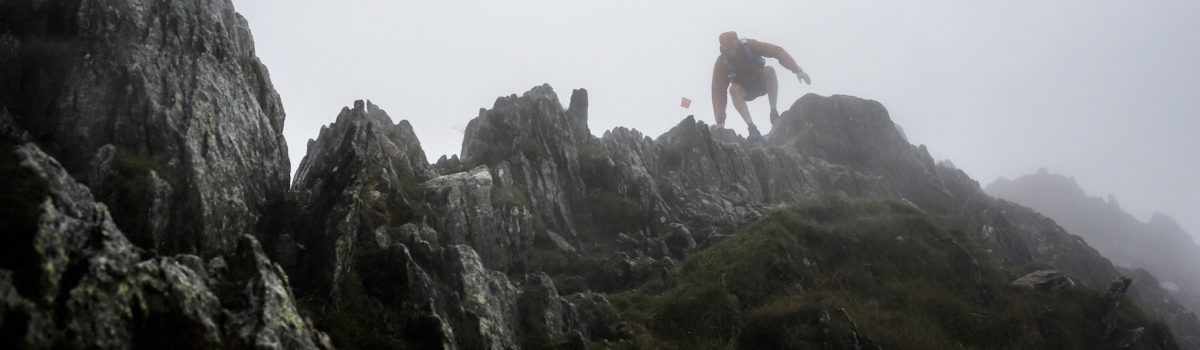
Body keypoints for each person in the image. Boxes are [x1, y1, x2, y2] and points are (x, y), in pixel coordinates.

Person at [711, 31, 811, 141]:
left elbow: (777, 51)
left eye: (733, 48)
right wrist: (720, 121)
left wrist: (797, 70)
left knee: (769, 71)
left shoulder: (749, 45)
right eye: (728, 50)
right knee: (733, 90)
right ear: (723, 48)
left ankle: (773, 112)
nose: (731, 52)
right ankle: (752, 128)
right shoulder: (722, 63)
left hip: (761, 83)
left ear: (737, 42)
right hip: (745, 91)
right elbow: (718, 91)